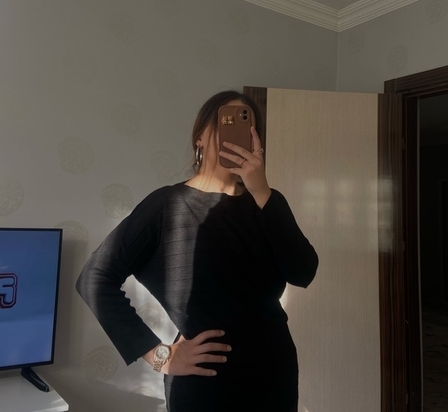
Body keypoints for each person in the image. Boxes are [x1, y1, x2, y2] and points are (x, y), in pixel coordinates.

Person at [76, 90, 318, 412]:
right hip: (204, 385)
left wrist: (261, 189)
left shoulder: (268, 203)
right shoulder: (166, 206)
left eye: (246, 126)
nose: (236, 133)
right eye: (225, 122)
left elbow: (303, 273)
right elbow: (95, 278)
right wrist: (160, 356)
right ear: (199, 137)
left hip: (274, 374)